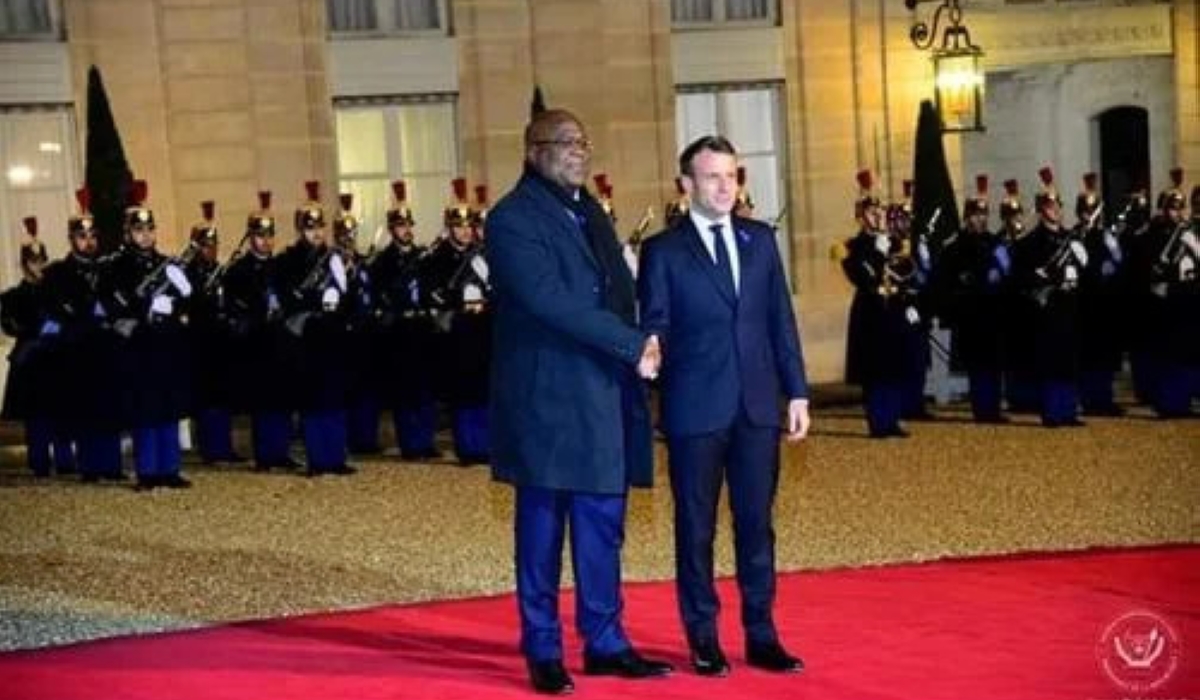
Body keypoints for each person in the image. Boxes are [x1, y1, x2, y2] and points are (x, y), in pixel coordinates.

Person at [486, 108, 671, 695]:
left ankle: (605, 640)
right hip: (546, 398)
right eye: (565, 143)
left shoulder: (589, 210)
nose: (578, 152)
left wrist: (646, 336)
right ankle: (541, 646)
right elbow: (546, 300)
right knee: (541, 529)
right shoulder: (512, 219)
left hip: (603, 392)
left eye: (584, 143)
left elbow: (616, 289)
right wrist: (629, 342)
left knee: (601, 524)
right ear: (532, 150)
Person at [638, 134, 810, 678]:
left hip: (759, 407)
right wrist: (649, 349)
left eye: (732, 175)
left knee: (757, 526)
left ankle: (761, 634)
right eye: (712, 176)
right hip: (695, 410)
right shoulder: (663, 251)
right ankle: (704, 637)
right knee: (696, 529)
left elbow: (780, 321)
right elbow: (655, 322)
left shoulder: (760, 241)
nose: (725, 186)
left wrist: (798, 391)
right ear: (686, 185)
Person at [1009, 166, 1086, 427]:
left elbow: (1081, 274)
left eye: (1058, 206)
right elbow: (1020, 277)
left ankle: (1069, 410)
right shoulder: (1030, 242)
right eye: (1050, 207)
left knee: (1069, 360)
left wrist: (1082, 260)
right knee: (1051, 362)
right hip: (1047, 310)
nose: (1055, 211)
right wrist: (1040, 277)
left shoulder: (1070, 238)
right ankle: (1053, 411)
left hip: (1069, 307)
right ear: (1042, 210)